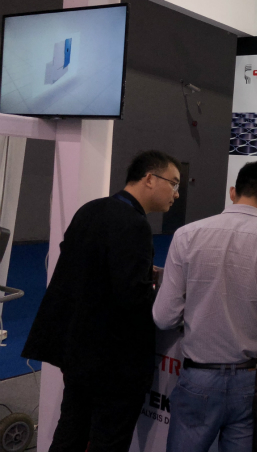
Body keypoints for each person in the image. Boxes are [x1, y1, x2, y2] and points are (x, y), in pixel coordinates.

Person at [22, 151, 180, 452]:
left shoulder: (90, 210)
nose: (176, 193)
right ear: (149, 179)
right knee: (109, 440)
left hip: (76, 350)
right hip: (114, 362)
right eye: (173, 183)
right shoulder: (134, 224)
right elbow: (132, 297)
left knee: (70, 432)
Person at [153, 161, 257, 452]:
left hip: (198, 376)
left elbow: (163, 317)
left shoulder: (187, 234)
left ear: (233, 192)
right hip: (254, 381)